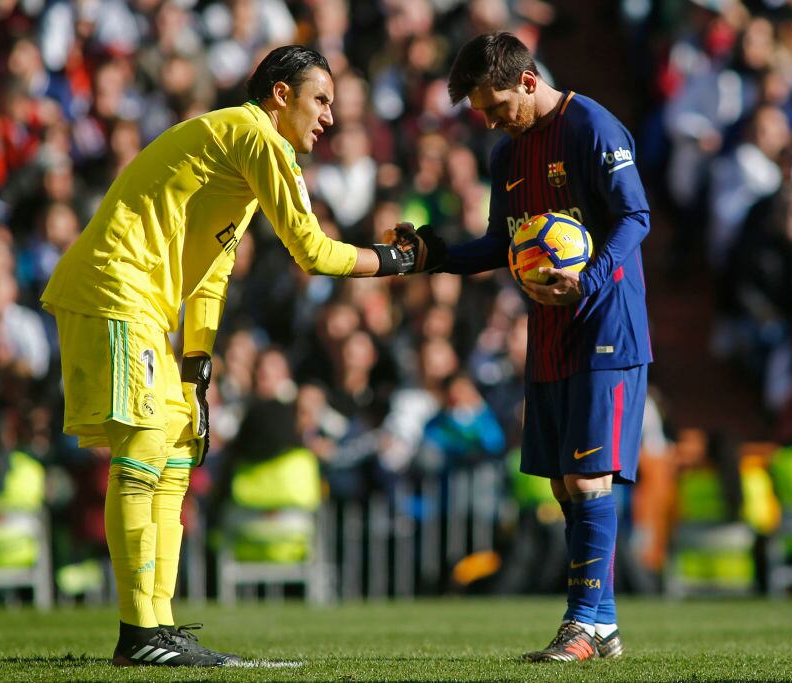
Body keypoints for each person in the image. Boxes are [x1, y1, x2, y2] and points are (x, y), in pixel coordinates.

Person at [41, 45, 422, 668]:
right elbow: (313, 252)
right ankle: (138, 632)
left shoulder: (236, 154)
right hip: (114, 290)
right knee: (141, 452)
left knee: (177, 452)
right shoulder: (254, 136)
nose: (329, 117)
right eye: (320, 100)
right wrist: (400, 261)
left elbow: (211, 276)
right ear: (280, 95)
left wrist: (197, 370)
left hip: (145, 307)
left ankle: (158, 627)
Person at [399, 32, 652, 662]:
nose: (490, 120)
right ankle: (604, 623)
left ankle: (585, 623)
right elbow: (499, 243)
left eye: (495, 106)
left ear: (529, 82)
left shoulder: (593, 127)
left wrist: (589, 280)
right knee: (565, 488)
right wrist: (435, 255)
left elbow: (634, 217)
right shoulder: (506, 156)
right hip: (549, 330)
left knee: (587, 477)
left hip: (605, 328)